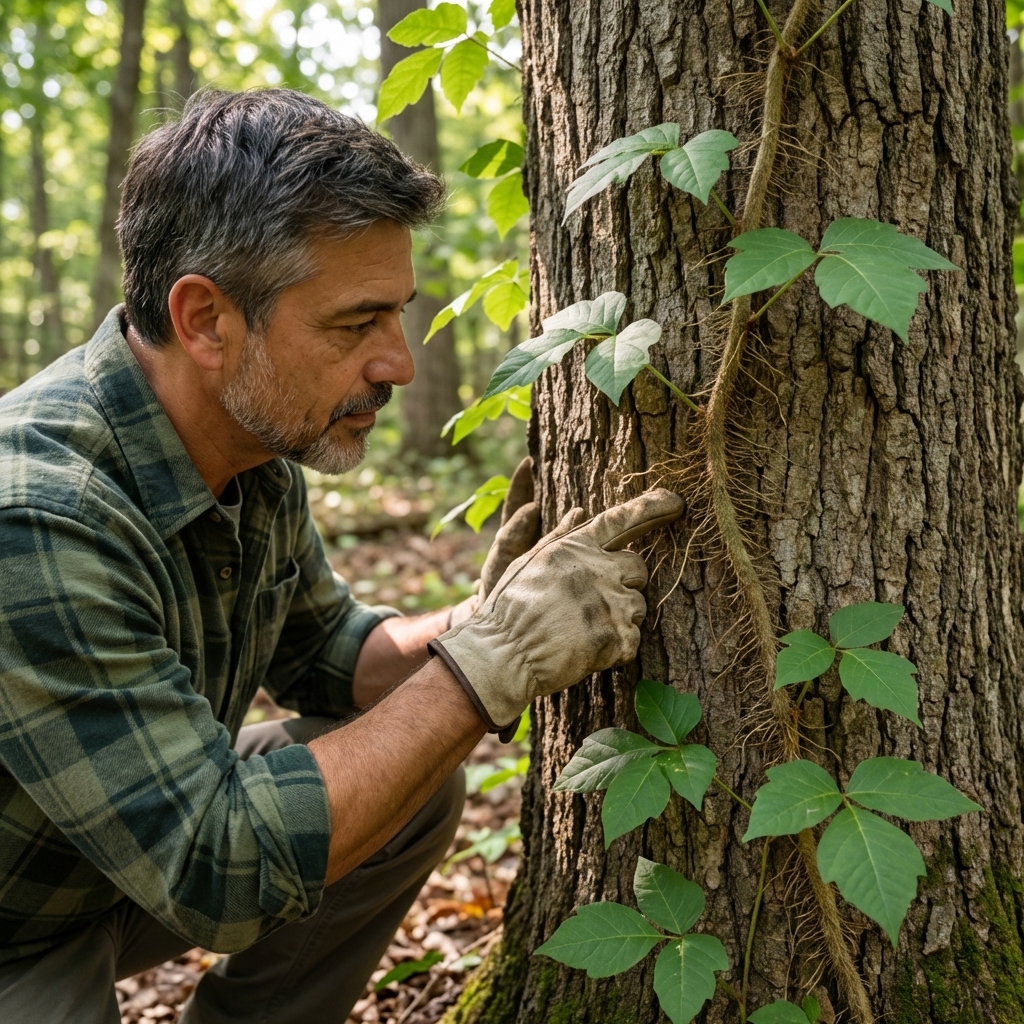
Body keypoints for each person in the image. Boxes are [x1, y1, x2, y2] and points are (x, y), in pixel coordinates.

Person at [0, 88, 682, 1024]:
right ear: (204, 320)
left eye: (396, 314)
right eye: (353, 324)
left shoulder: (250, 440)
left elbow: (331, 656)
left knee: (411, 778)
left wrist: (483, 622)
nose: (398, 363)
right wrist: (491, 665)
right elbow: (213, 867)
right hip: (18, 925)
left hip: (95, 861)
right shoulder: (35, 517)